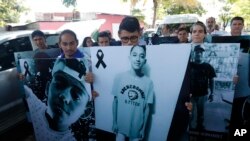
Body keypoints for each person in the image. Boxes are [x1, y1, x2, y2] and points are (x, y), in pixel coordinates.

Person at [23, 58, 91, 141]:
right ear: (47, 88)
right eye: (59, 84)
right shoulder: (32, 105)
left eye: (76, 96)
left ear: (85, 112)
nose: (64, 96)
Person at [112, 45, 154, 141]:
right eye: (134, 55)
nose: (138, 59)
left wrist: (143, 129)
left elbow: (147, 108)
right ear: (129, 58)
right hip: (121, 125)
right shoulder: (119, 77)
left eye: (142, 56)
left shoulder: (148, 82)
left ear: (145, 61)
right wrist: (114, 122)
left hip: (137, 128)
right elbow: (115, 102)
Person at [190, 45, 216, 130]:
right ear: (194, 53)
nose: (199, 54)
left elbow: (212, 80)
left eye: (201, 52)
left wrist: (212, 93)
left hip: (202, 94)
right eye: (197, 52)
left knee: (201, 113)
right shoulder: (189, 66)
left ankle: (199, 127)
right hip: (191, 95)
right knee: (190, 113)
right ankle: (189, 128)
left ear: (203, 54)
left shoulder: (208, 66)